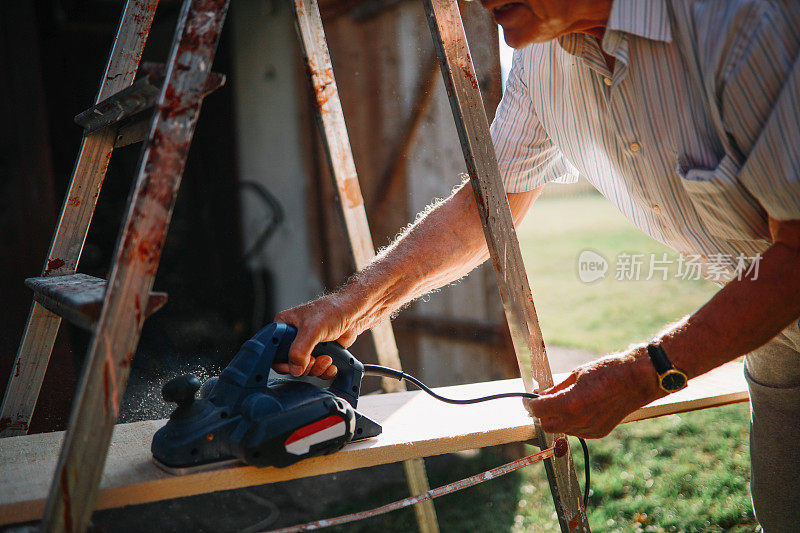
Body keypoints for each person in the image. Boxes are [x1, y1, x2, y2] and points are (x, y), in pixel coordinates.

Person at [273, 0, 800, 528]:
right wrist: (349, 308)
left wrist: (645, 374)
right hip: (773, 336)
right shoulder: (540, 60)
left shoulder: (742, 25)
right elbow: (484, 213)